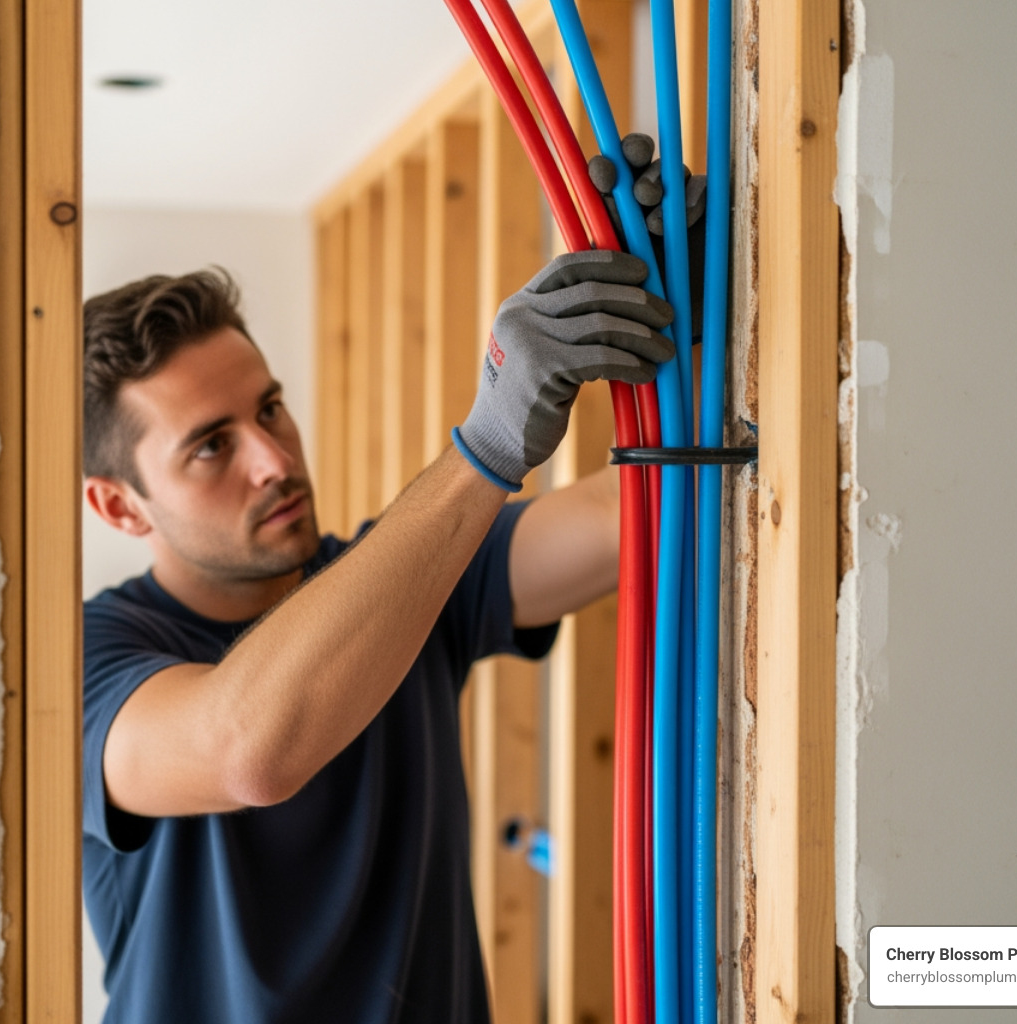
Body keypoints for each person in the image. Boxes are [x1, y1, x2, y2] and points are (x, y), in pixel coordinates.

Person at [80, 245, 675, 1022]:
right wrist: (486, 445)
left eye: (269, 409)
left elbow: (626, 519)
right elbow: (249, 751)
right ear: (122, 508)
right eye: (211, 446)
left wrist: (677, 320)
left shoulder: (408, 579)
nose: (273, 459)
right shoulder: (84, 664)